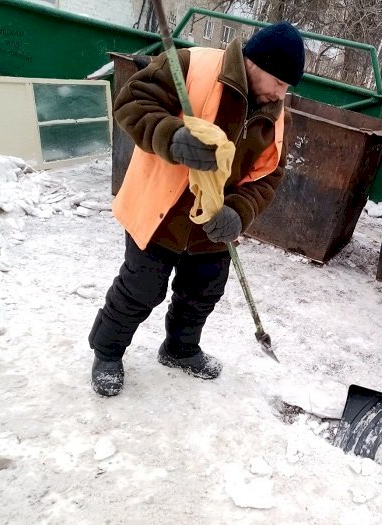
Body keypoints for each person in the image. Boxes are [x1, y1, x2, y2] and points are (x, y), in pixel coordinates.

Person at [88, 22, 305, 396]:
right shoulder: (193, 65)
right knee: (140, 288)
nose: (282, 94)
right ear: (257, 63)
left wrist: (238, 212)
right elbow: (132, 102)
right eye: (280, 82)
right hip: (161, 210)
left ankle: (180, 348)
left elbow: (267, 175)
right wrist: (171, 136)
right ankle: (107, 352)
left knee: (203, 291)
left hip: (213, 223)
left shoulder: (274, 113)